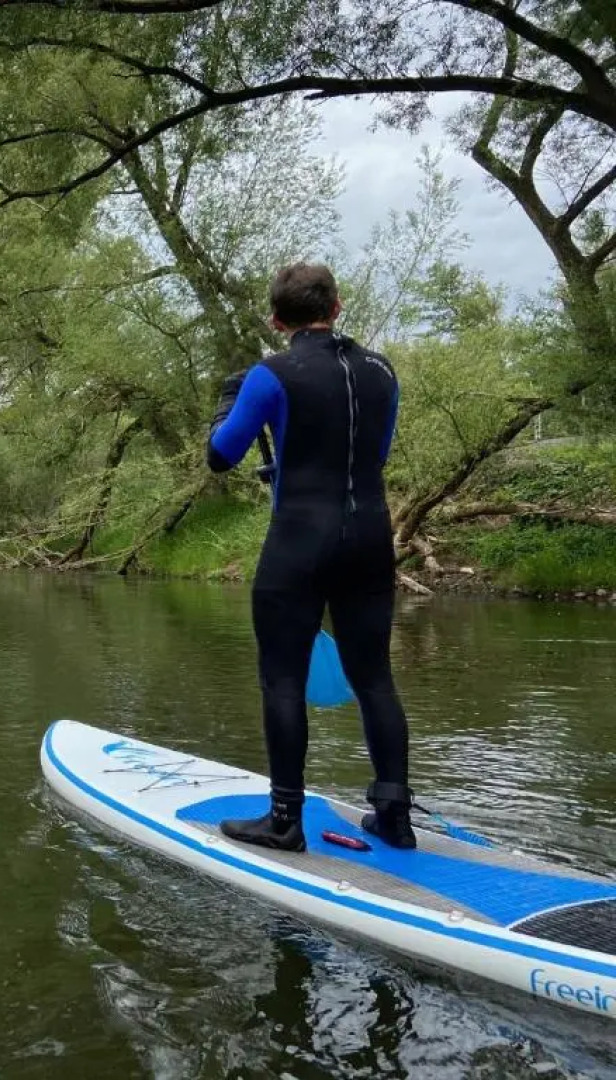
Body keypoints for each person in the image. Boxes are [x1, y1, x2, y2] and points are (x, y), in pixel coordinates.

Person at [204, 262, 415, 853]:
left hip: (299, 540)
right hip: (370, 539)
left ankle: (283, 821)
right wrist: (292, 463)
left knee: (283, 679)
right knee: (374, 677)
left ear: (276, 319)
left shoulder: (269, 374)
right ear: (338, 306)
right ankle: (394, 815)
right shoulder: (382, 369)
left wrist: (225, 408)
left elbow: (220, 456)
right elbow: (371, 452)